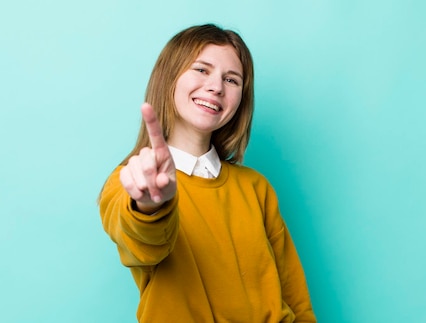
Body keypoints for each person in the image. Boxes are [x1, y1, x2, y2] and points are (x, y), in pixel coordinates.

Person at [98, 24, 316, 322]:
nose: (216, 87)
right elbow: (142, 242)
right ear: (168, 78)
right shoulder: (129, 182)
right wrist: (150, 206)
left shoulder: (256, 188)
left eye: (232, 79)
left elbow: (295, 297)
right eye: (202, 70)